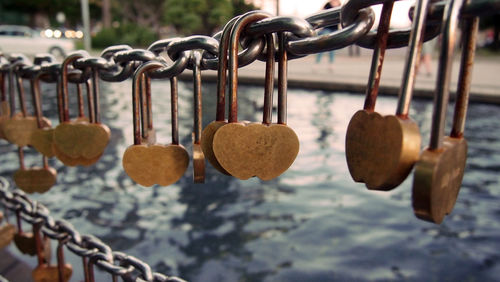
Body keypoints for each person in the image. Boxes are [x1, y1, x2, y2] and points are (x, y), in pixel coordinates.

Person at [315, 0, 341, 71]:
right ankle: (317, 64)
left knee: (332, 48)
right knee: (322, 45)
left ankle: (331, 65)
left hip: (335, 29)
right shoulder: (328, 4)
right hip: (327, 28)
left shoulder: (339, 4)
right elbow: (320, 13)